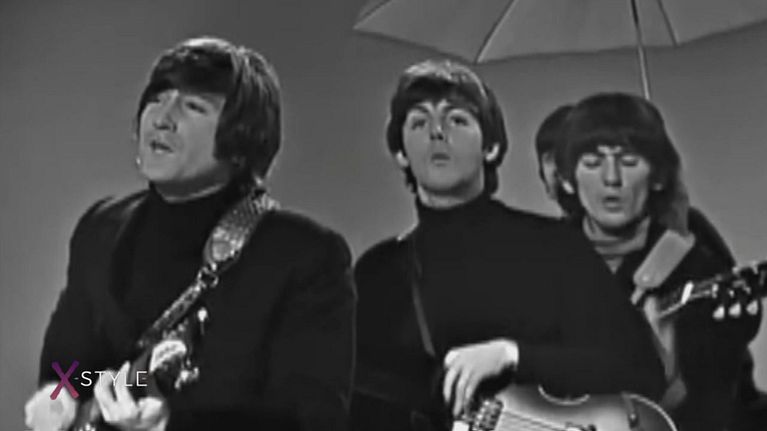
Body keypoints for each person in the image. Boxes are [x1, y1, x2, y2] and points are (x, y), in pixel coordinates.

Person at [23, 36, 355, 431]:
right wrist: (61, 399)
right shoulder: (102, 227)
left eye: (194, 106)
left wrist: (169, 424)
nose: (162, 118)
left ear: (241, 140)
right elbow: (70, 368)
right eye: (157, 98)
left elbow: (310, 419)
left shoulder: (304, 256)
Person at [350, 60, 665, 431]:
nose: (437, 132)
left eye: (456, 120)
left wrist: (513, 356)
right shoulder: (378, 273)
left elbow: (640, 369)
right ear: (401, 153)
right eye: (419, 123)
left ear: (492, 146)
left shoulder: (554, 247)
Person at [553, 92, 762, 431]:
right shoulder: (538, 258)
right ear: (566, 179)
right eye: (592, 163)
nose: (612, 178)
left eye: (629, 161)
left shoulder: (695, 271)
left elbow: (712, 413)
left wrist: (670, 380)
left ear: (659, 177)